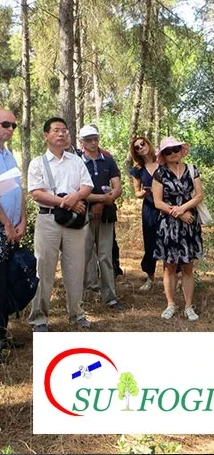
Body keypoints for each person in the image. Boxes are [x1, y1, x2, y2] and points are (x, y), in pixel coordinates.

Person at [28, 117, 94, 331]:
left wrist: (75, 199)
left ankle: (77, 314)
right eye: (56, 130)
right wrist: (68, 202)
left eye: (64, 130)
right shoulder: (38, 163)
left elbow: (87, 186)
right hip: (48, 220)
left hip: (74, 223)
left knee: (75, 269)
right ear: (46, 135)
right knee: (44, 269)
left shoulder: (76, 161)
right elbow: (36, 193)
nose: (61, 134)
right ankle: (39, 318)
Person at [152, 136, 204, 322]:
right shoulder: (160, 174)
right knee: (170, 267)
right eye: (168, 151)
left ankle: (189, 306)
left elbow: (199, 195)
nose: (173, 153)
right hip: (169, 225)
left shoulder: (191, 170)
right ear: (163, 156)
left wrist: (184, 208)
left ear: (181, 150)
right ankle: (171, 304)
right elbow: (158, 202)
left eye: (175, 149)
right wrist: (179, 213)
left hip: (189, 224)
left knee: (188, 266)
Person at [80, 124, 125, 311]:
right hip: (83, 214)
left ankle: (110, 297)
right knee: (84, 255)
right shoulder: (77, 161)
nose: (93, 142)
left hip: (106, 214)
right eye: (88, 139)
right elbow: (77, 190)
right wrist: (99, 199)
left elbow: (118, 187)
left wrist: (102, 202)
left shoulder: (108, 160)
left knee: (105, 256)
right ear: (81, 142)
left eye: (95, 138)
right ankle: (83, 295)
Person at [0, 110, 27, 360]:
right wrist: (7, 224)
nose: (10, 129)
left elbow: (17, 190)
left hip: (11, 228)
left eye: (14, 125)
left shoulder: (9, 155)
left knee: (7, 281)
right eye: (5, 124)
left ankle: (3, 335)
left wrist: (22, 221)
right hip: (2, 228)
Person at [129, 136, 160, 291]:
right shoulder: (137, 170)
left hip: (166, 207)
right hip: (149, 208)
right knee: (150, 242)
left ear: (148, 144)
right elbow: (136, 192)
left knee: (171, 240)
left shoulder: (163, 162)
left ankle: (178, 277)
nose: (141, 147)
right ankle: (150, 278)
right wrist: (144, 193)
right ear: (136, 152)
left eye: (143, 144)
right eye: (137, 147)